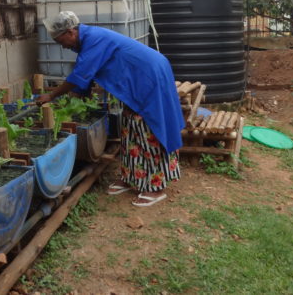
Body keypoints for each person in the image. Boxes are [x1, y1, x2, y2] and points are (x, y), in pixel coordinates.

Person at [36, 11, 184, 207]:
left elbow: (79, 75)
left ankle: (156, 188)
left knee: (148, 131)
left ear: (71, 32)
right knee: (130, 130)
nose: (63, 46)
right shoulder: (88, 40)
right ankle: (132, 177)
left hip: (149, 78)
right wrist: (78, 99)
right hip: (136, 81)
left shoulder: (93, 39)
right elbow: (85, 78)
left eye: (61, 41)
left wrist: (51, 96)